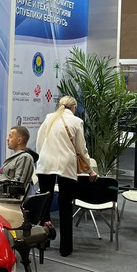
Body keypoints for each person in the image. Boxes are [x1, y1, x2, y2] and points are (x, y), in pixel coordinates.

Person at [35, 95, 97, 257]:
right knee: (65, 205)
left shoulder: (49, 118)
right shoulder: (76, 121)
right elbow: (81, 149)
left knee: (45, 203)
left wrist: (43, 157)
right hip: (66, 165)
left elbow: (39, 142)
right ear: (73, 107)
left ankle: (44, 241)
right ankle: (65, 248)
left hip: (46, 163)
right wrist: (90, 170)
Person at [0, 126, 37, 195]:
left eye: (10, 136)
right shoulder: (17, 157)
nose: (7, 139)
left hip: (2, 197)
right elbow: (6, 178)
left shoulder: (25, 157)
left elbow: (18, 186)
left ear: (19, 140)